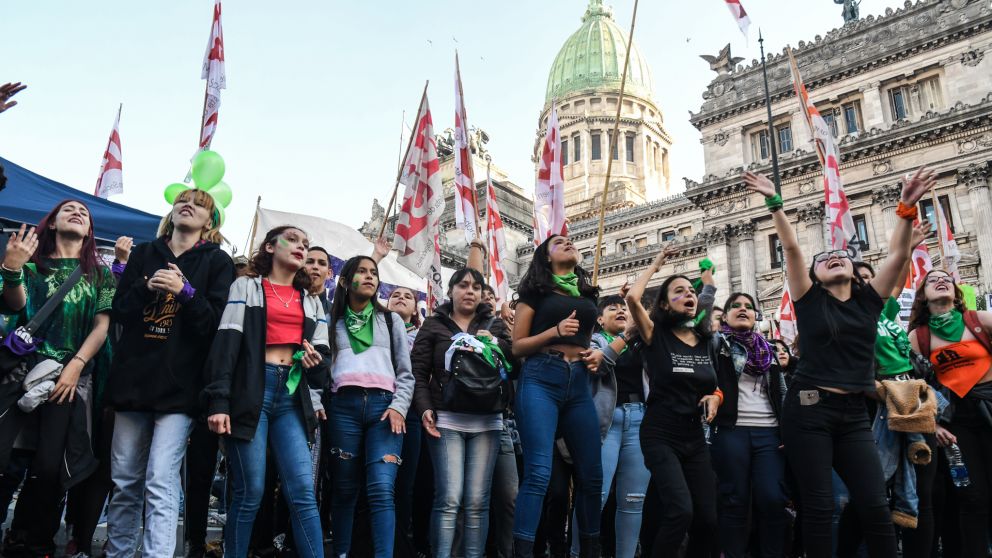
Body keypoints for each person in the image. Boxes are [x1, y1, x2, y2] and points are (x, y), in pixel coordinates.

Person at [743, 167, 932, 558]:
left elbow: (898, 255)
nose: (833, 257)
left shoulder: (869, 301)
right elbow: (792, 249)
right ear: (814, 275)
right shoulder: (809, 300)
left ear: (853, 272)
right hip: (808, 411)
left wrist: (906, 207)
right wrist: (774, 201)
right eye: (824, 258)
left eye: (840, 256)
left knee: (875, 504)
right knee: (820, 505)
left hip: (853, 415)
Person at [105, 188, 234, 557]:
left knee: (161, 479)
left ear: (209, 221)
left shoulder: (217, 262)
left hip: (181, 388)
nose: (187, 205)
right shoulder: (145, 253)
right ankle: (117, 552)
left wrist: (186, 292)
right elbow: (120, 311)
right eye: (182, 200)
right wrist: (147, 287)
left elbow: (214, 325)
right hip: (133, 382)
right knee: (125, 480)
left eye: (199, 204)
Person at [203, 225, 330, 558]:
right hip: (251, 391)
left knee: (303, 492)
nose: (301, 246)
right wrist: (219, 400)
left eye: (306, 243)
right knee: (250, 492)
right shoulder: (246, 286)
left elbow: (323, 359)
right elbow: (226, 343)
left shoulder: (312, 300)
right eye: (293, 239)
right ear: (270, 247)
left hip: (291, 395)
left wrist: (313, 361)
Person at [0, 201, 114, 557]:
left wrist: (76, 365)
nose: (77, 212)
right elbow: (15, 305)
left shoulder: (100, 275)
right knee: (7, 461)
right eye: (68, 209)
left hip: (69, 380)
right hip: (23, 375)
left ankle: (31, 541)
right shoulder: (31, 266)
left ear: (90, 230)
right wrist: (12, 269)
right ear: (52, 223)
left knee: (50, 468)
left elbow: (102, 327)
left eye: (84, 211)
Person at [510, 234, 603, 558]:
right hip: (541, 378)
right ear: (546, 257)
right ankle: (523, 552)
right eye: (558, 242)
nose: (568, 243)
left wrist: (595, 354)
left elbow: (587, 338)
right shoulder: (534, 292)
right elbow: (517, 346)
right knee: (538, 473)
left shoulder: (587, 293)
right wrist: (554, 332)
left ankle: (590, 551)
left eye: (570, 241)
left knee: (592, 475)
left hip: (579, 383)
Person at [625, 247, 721, 558]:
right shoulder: (655, 334)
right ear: (665, 304)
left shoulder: (705, 340)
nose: (688, 294)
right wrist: (656, 262)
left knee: (707, 519)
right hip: (660, 434)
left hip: (694, 437)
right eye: (678, 291)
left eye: (691, 291)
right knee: (680, 511)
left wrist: (714, 396)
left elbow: (714, 385)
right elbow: (633, 299)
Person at [411, 266, 513, 558]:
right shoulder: (433, 325)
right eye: (463, 285)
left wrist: (495, 343)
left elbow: (514, 363)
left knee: (477, 502)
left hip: (488, 421)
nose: (470, 291)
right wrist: (424, 408)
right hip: (446, 420)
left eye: (476, 287)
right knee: (449, 499)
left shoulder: (494, 324)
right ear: (450, 291)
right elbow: (418, 372)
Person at [327, 255, 414, 558]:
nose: (369, 277)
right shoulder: (331, 321)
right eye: (361, 272)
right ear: (344, 281)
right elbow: (322, 368)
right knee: (344, 489)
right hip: (343, 408)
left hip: (384, 411)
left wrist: (399, 407)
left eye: (373, 272)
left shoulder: (391, 320)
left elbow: (405, 373)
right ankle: (341, 553)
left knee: (381, 489)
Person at [908, 269, 992, 556]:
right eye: (932, 280)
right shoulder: (918, 337)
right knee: (972, 496)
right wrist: (933, 425)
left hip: (989, 409)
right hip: (956, 424)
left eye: (946, 278)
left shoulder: (980, 321)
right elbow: (914, 388)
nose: (940, 281)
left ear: (956, 293)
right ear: (923, 295)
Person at [568, 292, 648, 558]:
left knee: (633, 500)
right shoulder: (593, 341)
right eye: (612, 309)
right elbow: (598, 366)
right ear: (600, 319)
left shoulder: (642, 343)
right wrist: (626, 336)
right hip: (606, 422)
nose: (621, 311)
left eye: (623, 308)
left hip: (639, 420)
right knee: (596, 495)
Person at [710, 292, 788, 558]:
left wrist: (786, 430)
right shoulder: (717, 345)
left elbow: (781, 392)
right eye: (735, 306)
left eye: (749, 306)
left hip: (769, 433)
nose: (743, 309)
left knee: (773, 498)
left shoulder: (768, 349)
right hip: (731, 432)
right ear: (725, 316)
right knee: (735, 500)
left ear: (757, 315)